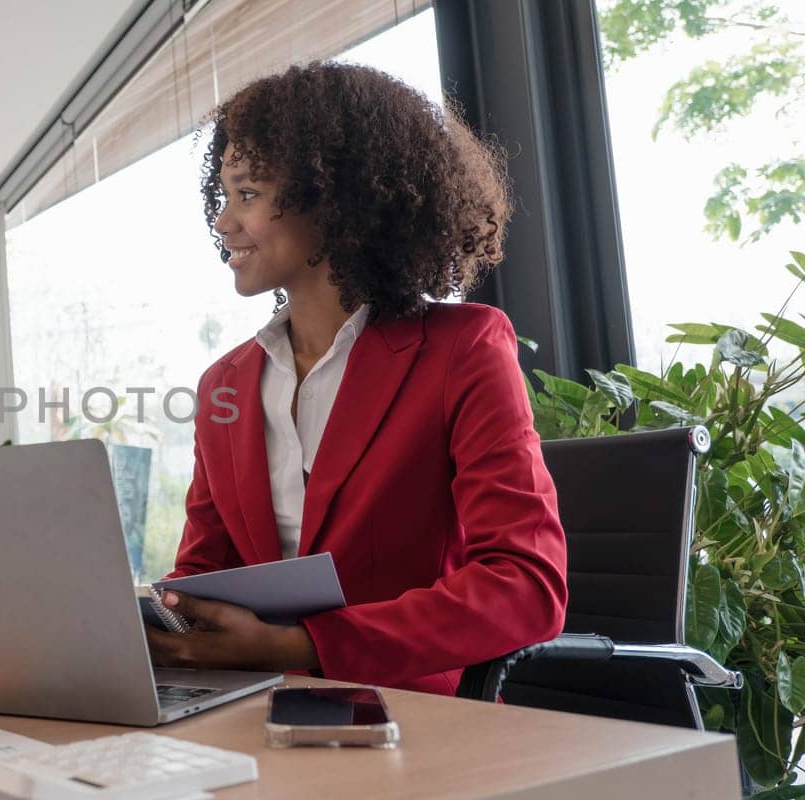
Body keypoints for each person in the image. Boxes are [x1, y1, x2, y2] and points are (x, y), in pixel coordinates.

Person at [145, 63, 568, 695]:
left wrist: (303, 646)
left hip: (407, 715)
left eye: (249, 194)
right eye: (224, 195)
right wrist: (153, 621)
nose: (224, 221)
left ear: (334, 199)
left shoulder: (461, 350)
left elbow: (525, 586)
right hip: (252, 711)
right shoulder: (224, 385)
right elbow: (204, 577)